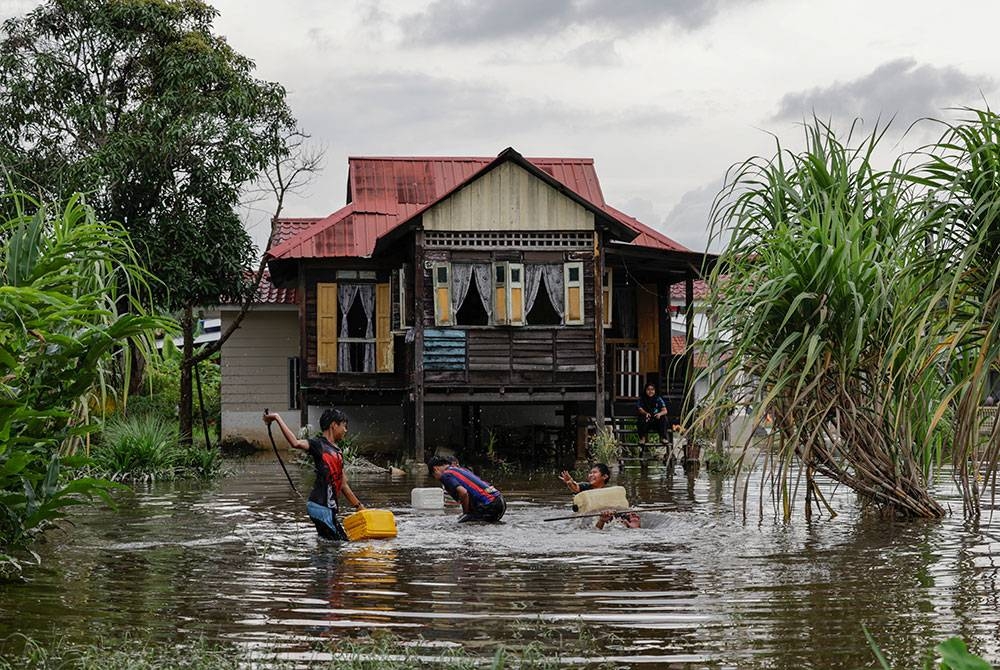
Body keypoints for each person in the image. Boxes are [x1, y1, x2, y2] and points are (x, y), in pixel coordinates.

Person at [263, 408, 365, 541]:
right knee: (340, 544)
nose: (346, 430)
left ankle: (318, 559)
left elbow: (343, 484)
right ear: (334, 425)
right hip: (320, 506)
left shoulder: (338, 452)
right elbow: (295, 442)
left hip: (326, 508)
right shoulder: (318, 444)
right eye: (344, 426)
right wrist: (277, 417)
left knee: (330, 543)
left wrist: (359, 507)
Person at [427, 456, 506, 523]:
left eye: (434, 476)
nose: (437, 479)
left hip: (489, 505)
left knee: (463, 524)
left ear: (435, 469)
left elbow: (464, 493)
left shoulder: (445, 475)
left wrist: (465, 513)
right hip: (499, 500)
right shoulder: (461, 469)